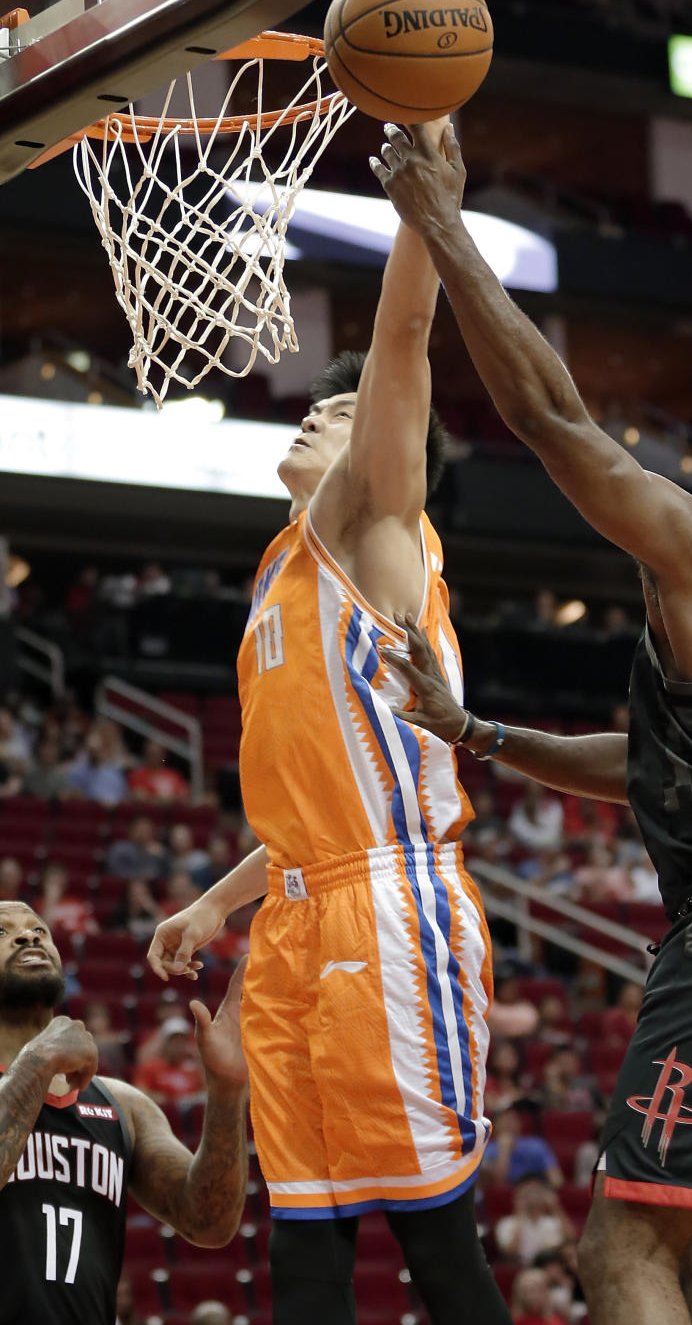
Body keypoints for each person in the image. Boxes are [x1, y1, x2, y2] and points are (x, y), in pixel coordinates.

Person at [372, 123, 692, 1325]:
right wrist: (480, 734)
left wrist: (445, 226)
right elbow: (659, 769)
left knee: (617, 1252)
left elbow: (555, 423)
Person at [146, 123, 511, 1325]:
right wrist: (214, 905)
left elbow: (403, 337)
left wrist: (422, 200)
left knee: (431, 1234)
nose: (313, 417)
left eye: (342, 412)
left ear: (390, 451)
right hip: (298, 921)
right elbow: (313, 810)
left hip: (395, 913)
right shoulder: (273, 579)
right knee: (302, 1234)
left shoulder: (378, 532)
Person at [0, 899, 248, 1325]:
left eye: (40, 930)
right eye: (1, 932)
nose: (28, 936)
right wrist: (37, 1062)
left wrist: (226, 1091)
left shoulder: (123, 1104)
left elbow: (209, 1223)